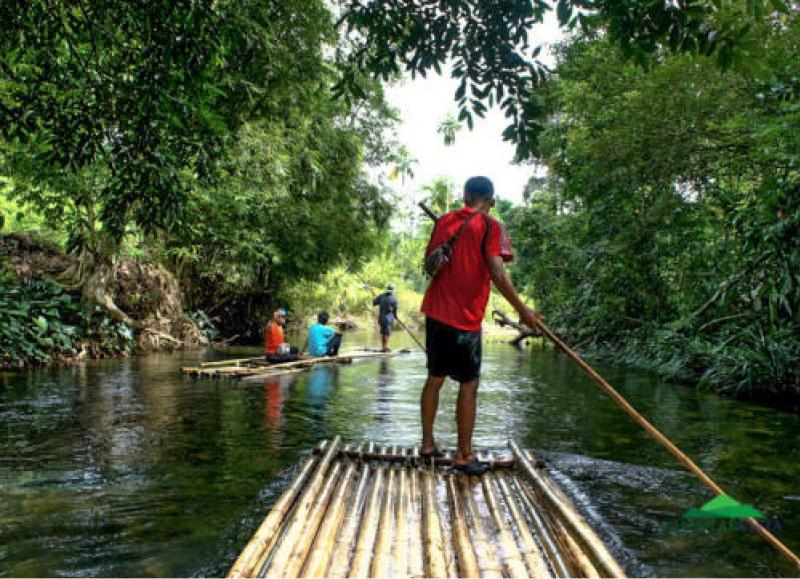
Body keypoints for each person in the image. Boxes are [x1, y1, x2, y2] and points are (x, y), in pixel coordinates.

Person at [420, 176, 543, 475]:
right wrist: (524, 311)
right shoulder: (491, 226)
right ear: (492, 200)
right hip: (464, 319)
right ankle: (464, 454)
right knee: (469, 385)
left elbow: (429, 262)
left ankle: (427, 445)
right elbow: (498, 273)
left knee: (435, 378)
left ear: (465, 196)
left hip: (435, 312)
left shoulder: (445, 221)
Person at [372, 284, 398, 352]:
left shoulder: (381, 296)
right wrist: (395, 316)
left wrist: (375, 297)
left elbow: (374, 303)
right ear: (392, 291)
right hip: (388, 319)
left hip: (381, 318)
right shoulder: (394, 299)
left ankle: (384, 347)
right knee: (387, 333)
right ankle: (385, 347)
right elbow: (395, 310)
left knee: (383, 333)